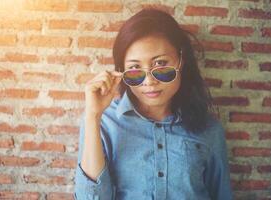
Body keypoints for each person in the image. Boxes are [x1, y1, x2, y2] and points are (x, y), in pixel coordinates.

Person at [74, 8, 233, 200]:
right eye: (134, 69)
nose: (149, 81)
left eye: (160, 65)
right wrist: (93, 117)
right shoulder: (104, 122)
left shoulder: (209, 128)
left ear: (181, 61)